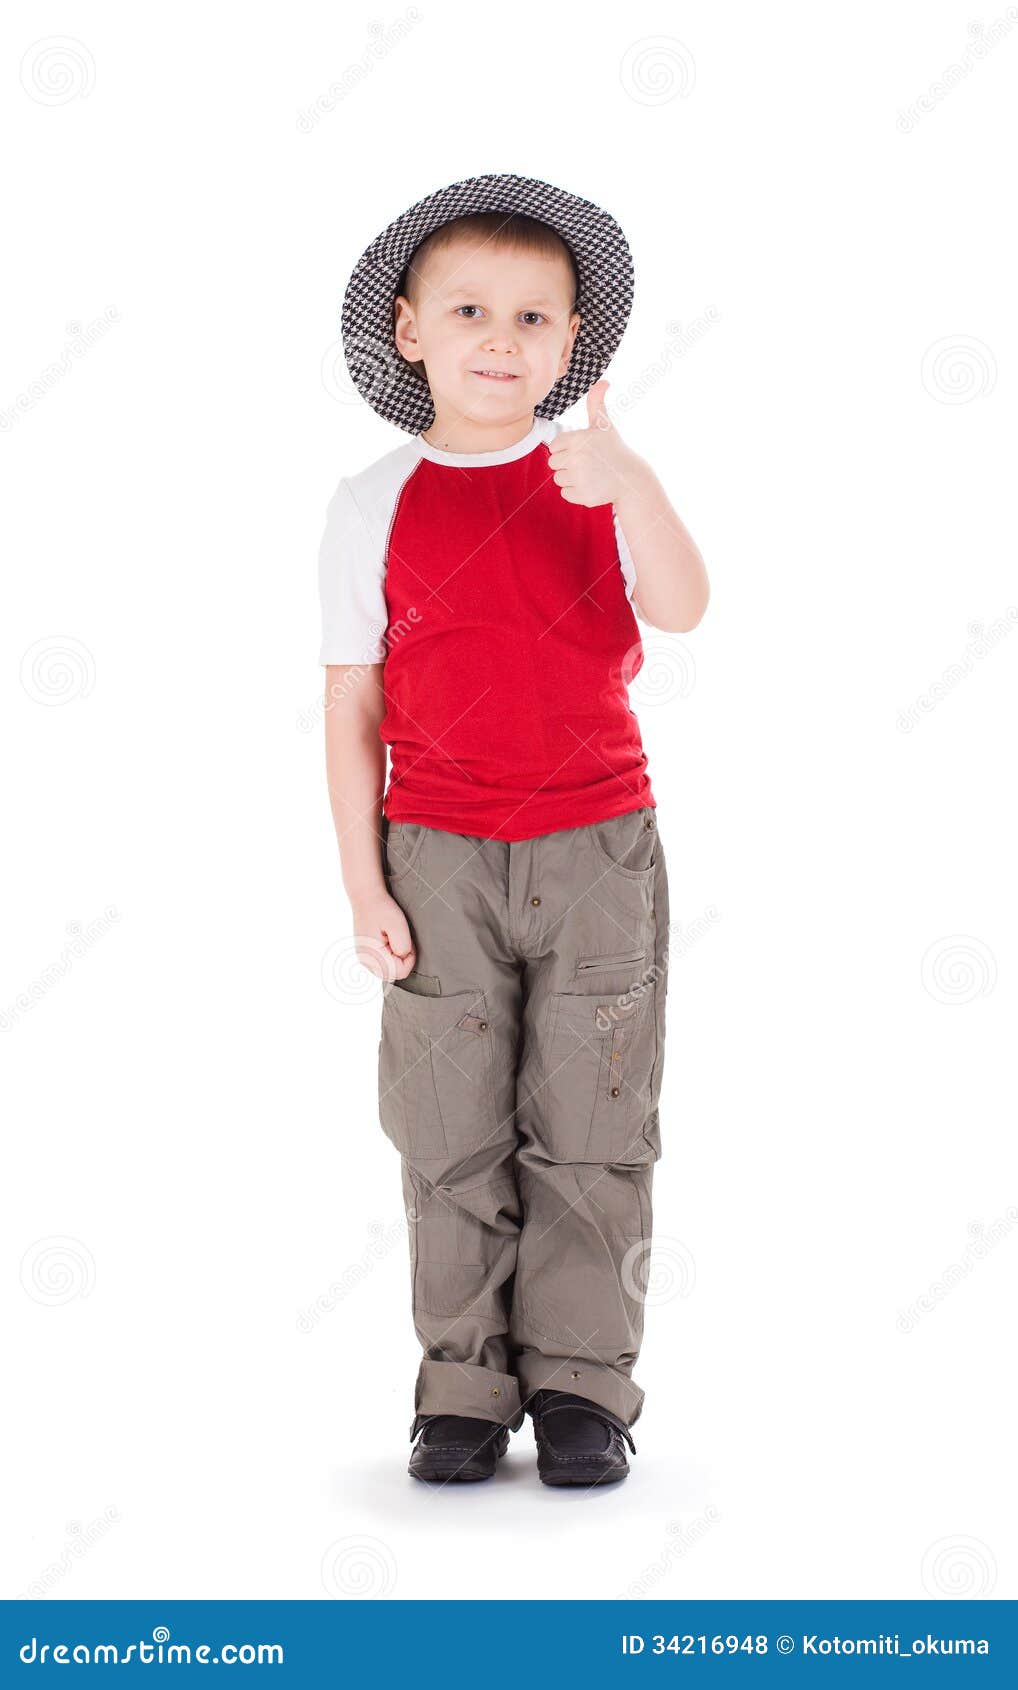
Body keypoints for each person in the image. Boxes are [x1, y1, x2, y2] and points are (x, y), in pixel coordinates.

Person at [318, 173, 709, 1487]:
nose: (502, 339)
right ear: (411, 331)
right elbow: (349, 703)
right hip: (435, 849)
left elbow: (684, 605)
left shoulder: (591, 475)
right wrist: (362, 878)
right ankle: (464, 1383)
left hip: (595, 844)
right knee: (448, 1125)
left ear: (572, 340)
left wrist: (633, 482)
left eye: (535, 316)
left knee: (593, 1121)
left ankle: (584, 1382)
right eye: (472, 309)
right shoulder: (370, 499)